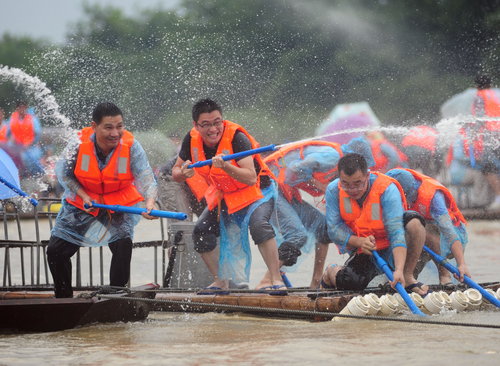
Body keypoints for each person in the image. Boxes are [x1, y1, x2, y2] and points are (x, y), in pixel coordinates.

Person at [172, 99, 285, 294]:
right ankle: (220, 282)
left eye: (217, 122)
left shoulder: (237, 138)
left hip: (258, 192)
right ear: (196, 126)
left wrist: (226, 166)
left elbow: (250, 177)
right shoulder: (191, 140)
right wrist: (183, 173)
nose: (213, 129)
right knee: (201, 231)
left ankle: (275, 278)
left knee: (259, 226)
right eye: (206, 124)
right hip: (227, 195)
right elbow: (176, 171)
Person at [46, 102, 158, 298]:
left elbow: (147, 177)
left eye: (119, 126)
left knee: (123, 243)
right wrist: (83, 195)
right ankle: (63, 298)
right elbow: (64, 175)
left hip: (117, 203)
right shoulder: (78, 144)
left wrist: (150, 203)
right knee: (56, 251)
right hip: (83, 202)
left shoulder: (131, 146)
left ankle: (116, 293)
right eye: (108, 127)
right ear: (94, 126)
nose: (115, 133)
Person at [262, 138, 373, 288]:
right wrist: (321, 186)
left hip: (284, 190)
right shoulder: (332, 156)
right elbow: (295, 168)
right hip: (268, 187)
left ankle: (315, 282)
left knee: (323, 228)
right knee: (297, 235)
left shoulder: (340, 163)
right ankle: (266, 281)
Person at [320, 153, 429, 296]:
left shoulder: (387, 189)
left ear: (367, 176)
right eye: (346, 184)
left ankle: (408, 277)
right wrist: (360, 242)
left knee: (414, 222)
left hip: (391, 243)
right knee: (351, 282)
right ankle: (331, 271)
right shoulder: (334, 190)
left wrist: (399, 271)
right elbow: (334, 230)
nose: (352, 190)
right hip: (364, 247)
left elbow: (396, 232)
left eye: (358, 183)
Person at [386, 168, 470, 286]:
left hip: (450, 238)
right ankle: (407, 279)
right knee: (407, 268)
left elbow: (449, 232)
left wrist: (461, 264)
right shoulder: (388, 192)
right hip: (420, 237)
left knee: (425, 231)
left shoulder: (433, 197)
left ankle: (444, 275)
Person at [471, 74, 500, 210]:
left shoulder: (480, 96)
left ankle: (499, 197)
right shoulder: (496, 94)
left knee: (487, 168)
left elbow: (479, 118)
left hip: (490, 133)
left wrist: (475, 137)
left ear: (477, 86)